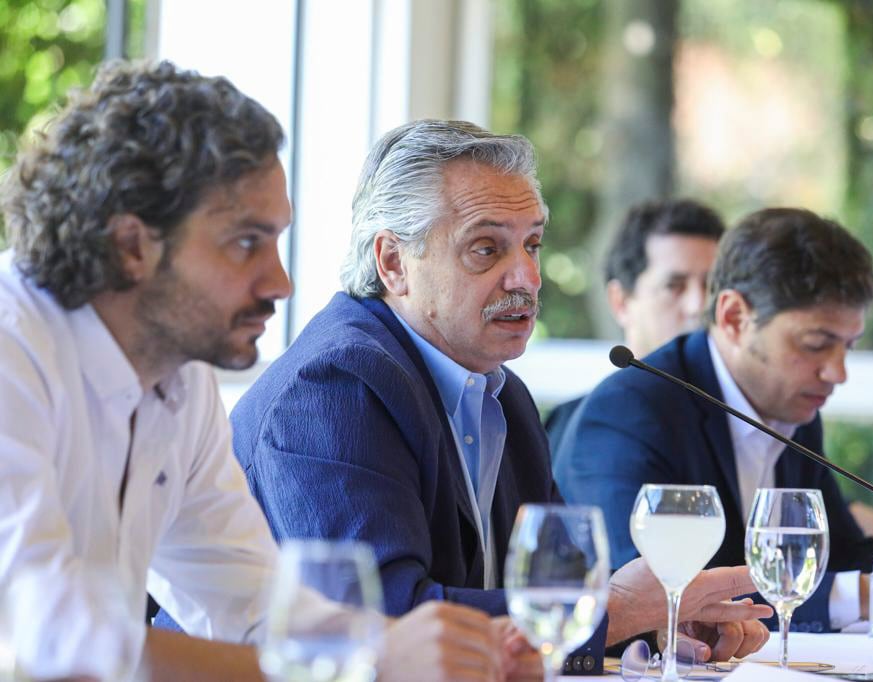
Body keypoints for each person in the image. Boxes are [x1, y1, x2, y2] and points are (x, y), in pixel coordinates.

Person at [0, 60, 516, 682]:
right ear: (131, 246)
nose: (280, 282)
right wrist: (369, 660)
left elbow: (253, 603)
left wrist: (422, 648)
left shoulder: (176, 377)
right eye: (246, 242)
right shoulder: (12, 349)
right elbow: (49, 638)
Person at [230, 119, 773, 674]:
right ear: (394, 263)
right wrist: (620, 610)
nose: (526, 278)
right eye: (486, 249)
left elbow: (550, 600)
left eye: (532, 245)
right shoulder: (336, 384)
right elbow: (386, 622)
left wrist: (654, 627)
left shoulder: (502, 394)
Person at [555, 208, 873, 633]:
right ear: (733, 318)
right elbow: (651, 598)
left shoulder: (793, 406)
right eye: (816, 344)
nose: (837, 372)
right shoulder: (631, 410)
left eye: (848, 347)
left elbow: (839, 554)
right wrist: (861, 595)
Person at [545, 199, 724, 455]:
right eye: (674, 286)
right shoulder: (578, 426)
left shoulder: (753, 421)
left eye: (712, 286)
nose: (699, 305)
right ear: (621, 302)